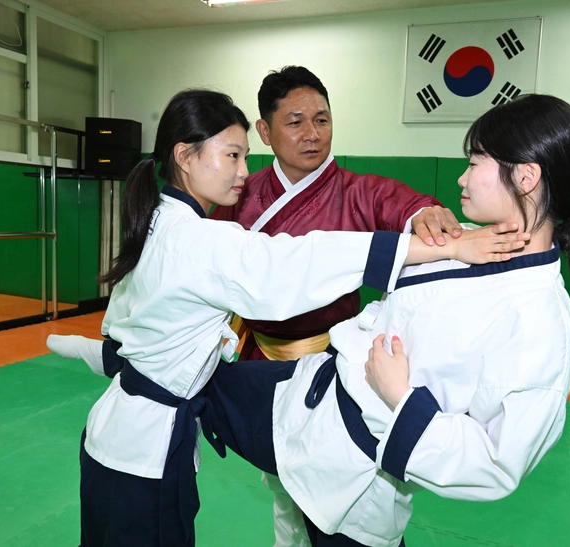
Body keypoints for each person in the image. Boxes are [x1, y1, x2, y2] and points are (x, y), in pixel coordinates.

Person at [46, 88, 530, 547]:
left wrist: (425, 220)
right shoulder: (201, 238)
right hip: (146, 451)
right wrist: (435, 249)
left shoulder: (158, 219)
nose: (243, 170)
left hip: (117, 433)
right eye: (231, 155)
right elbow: (296, 262)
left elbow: (133, 327)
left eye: (244, 156)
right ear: (185, 156)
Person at [194, 93, 570, 546]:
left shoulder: (541, 323)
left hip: (360, 475)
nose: (461, 177)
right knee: (184, 385)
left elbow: (496, 463)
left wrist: (400, 397)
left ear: (526, 177)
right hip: (309, 396)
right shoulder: (464, 242)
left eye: (475, 163)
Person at [210, 65, 464, 546]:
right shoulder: (241, 195)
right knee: (280, 477)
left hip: (335, 365)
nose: (313, 134)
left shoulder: (358, 191)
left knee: (344, 484)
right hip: (261, 358)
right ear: (264, 130)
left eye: (322, 120)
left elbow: (402, 204)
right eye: (295, 122)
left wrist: (424, 211)